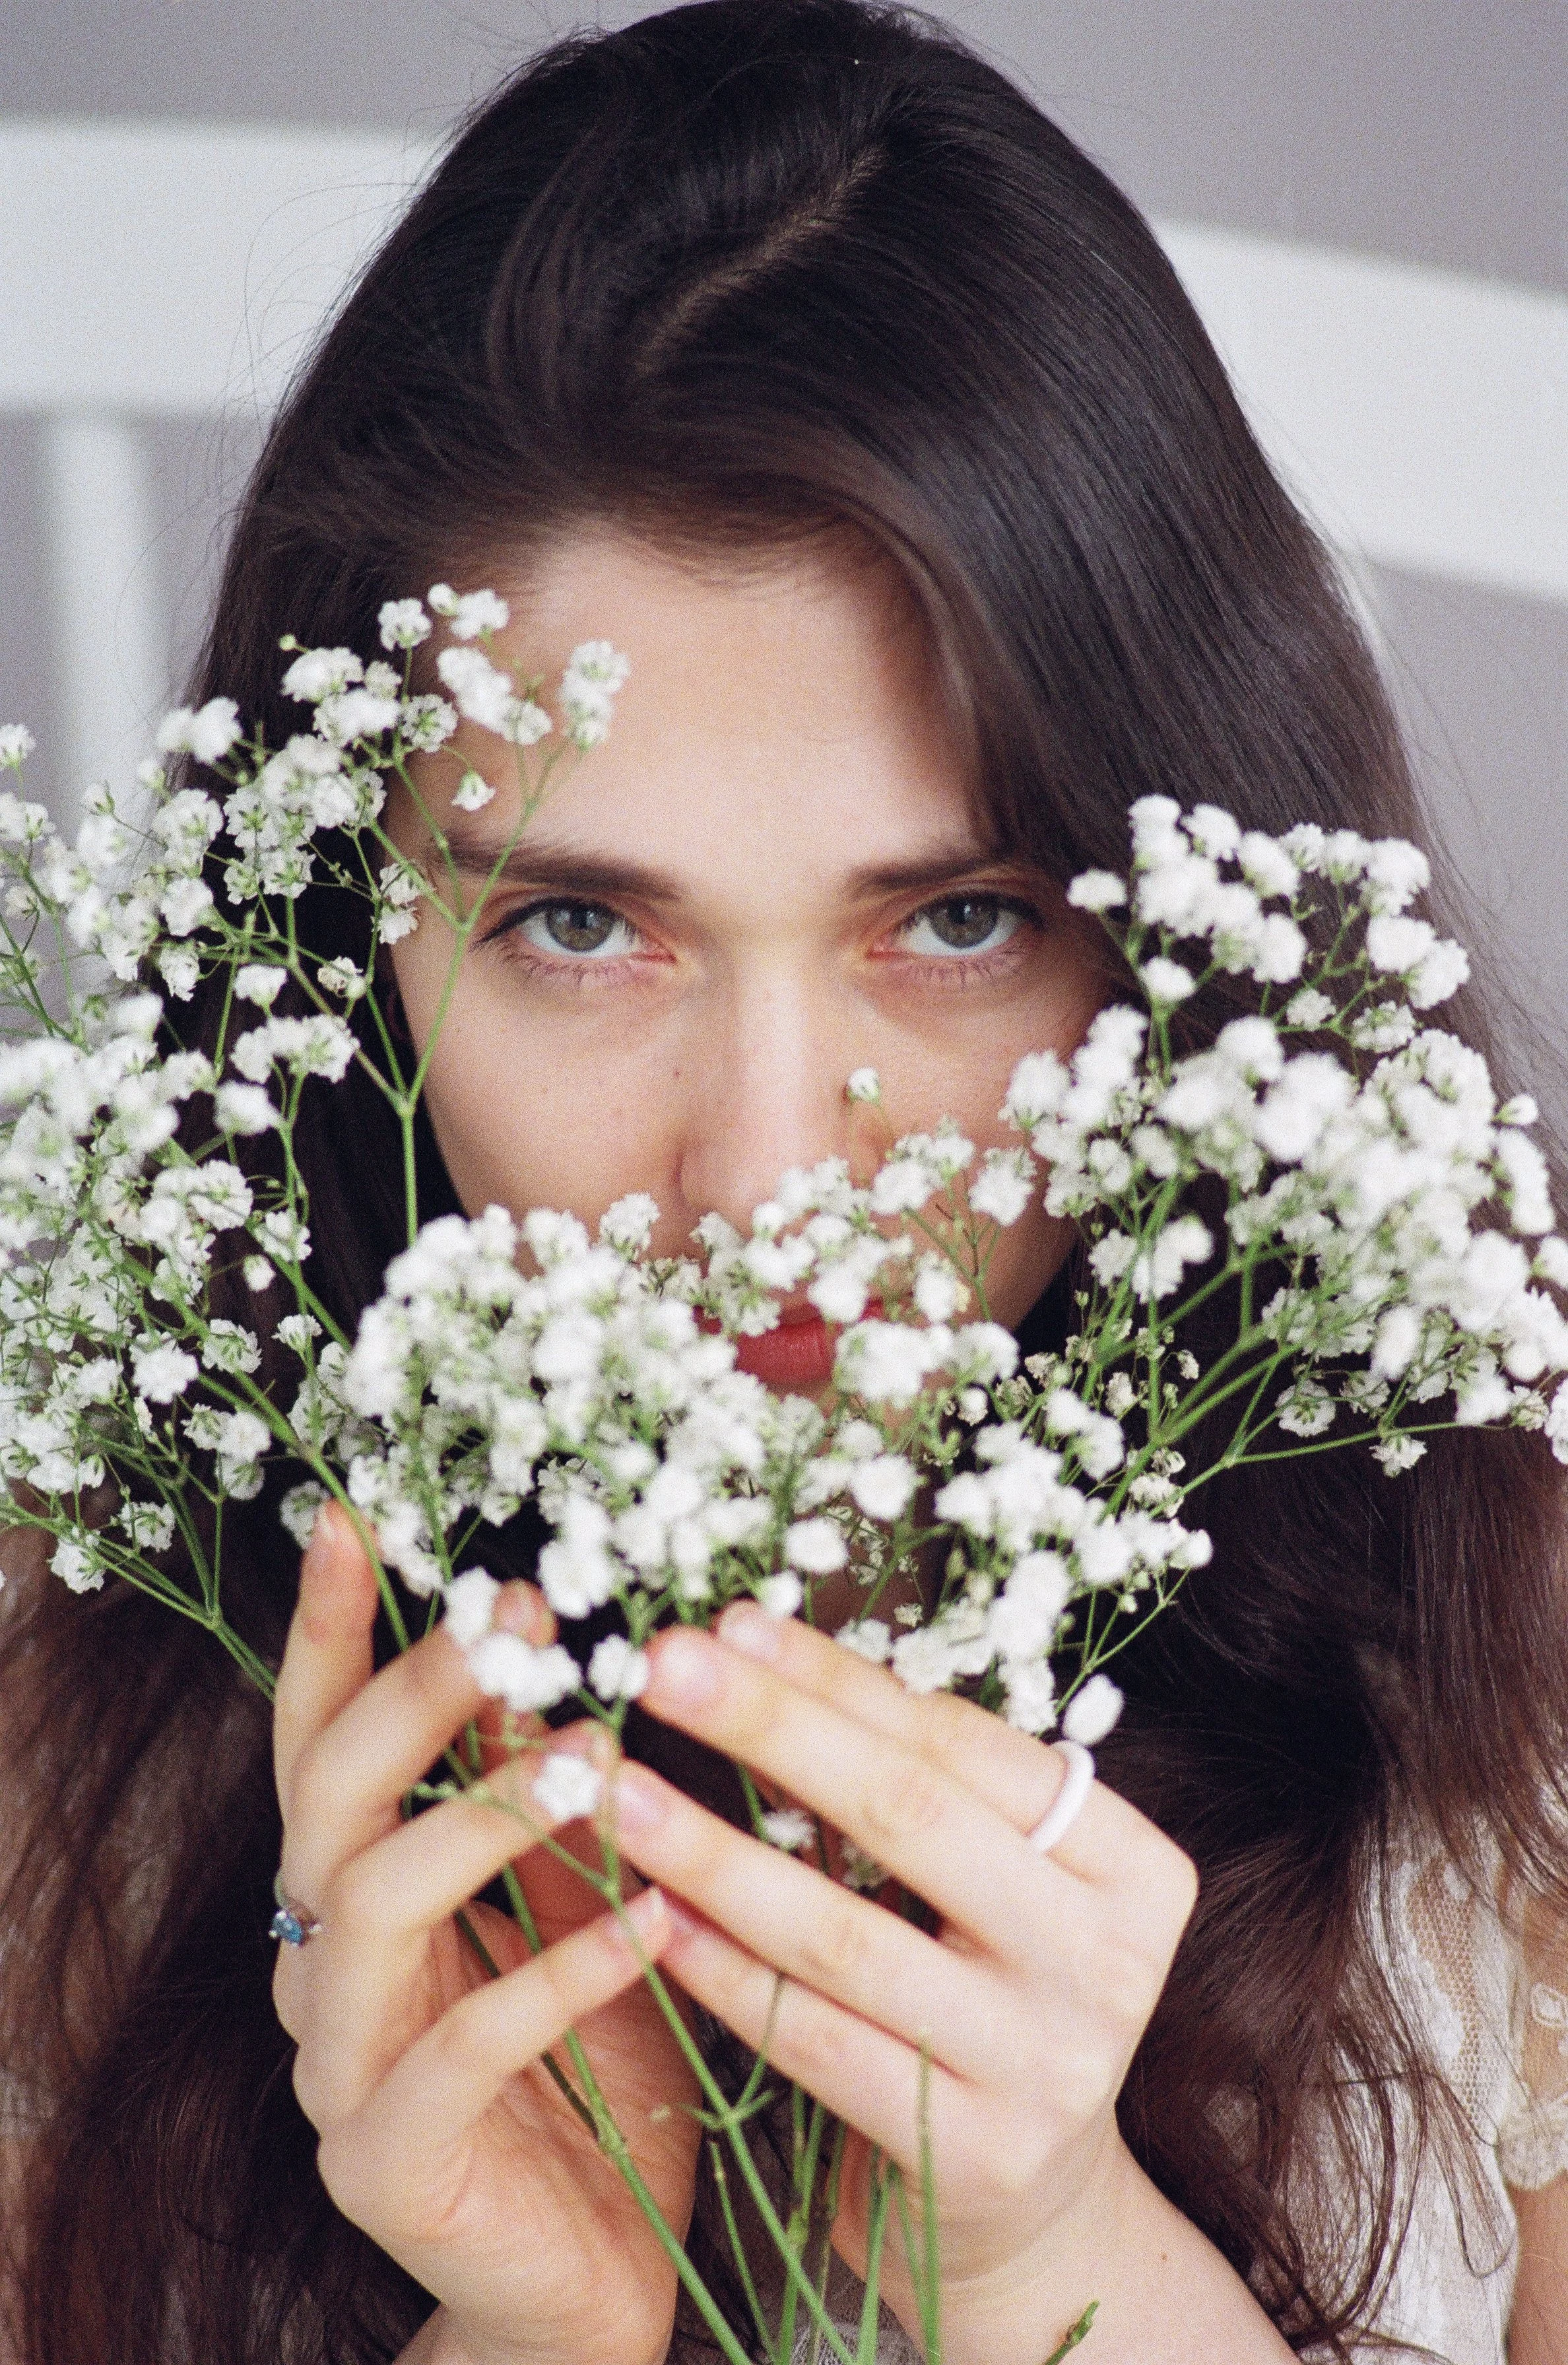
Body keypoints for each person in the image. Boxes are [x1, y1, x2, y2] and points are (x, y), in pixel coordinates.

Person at [3, 4, 1567, 2360]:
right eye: (577, 924)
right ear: (342, 955)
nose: (756, 1174)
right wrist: (534, 2337)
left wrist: (1060, 2268)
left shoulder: (1512, 1735)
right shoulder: (68, 1756)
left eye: (957, 920)